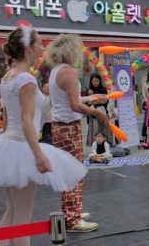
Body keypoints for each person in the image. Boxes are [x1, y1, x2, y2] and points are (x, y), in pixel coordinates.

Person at [0, 22, 90, 241]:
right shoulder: (25, 79)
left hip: (9, 144)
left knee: (13, 211)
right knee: (22, 216)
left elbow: (10, 117)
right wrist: (37, 154)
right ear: (29, 48)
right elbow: (26, 119)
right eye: (39, 44)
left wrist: (4, 146)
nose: (43, 49)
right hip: (21, 146)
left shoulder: (8, 76)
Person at [46, 33, 107, 232]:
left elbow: (69, 101)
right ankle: (73, 218)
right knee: (74, 172)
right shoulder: (69, 72)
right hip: (69, 126)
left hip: (59, 127)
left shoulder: (55, 71)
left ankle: (70, 211)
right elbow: (74, 105)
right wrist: (96, 112)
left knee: (67, 172)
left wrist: (91, 100)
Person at [86, 73, 113, 147]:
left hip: (103, 111)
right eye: (93, 81)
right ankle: (96, 145)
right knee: (95, 128)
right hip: (93, 112)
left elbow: (106, 100)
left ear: (99, 81)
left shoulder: (103, 89)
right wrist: (99, 101)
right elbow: (88, 102)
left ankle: (107, 144)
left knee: (105, 127)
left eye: (96, 81)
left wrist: (96, 101)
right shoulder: (89, 90)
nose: (95, 83)